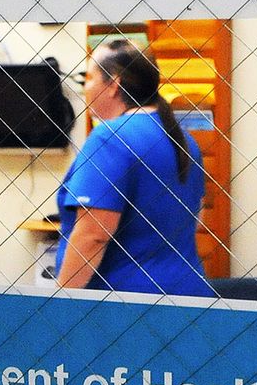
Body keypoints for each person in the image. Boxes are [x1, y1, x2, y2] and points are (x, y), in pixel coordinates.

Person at [55, 39, 214, 297]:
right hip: (186, 295)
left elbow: (93, 235)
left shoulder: (109, 138)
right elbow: (197, 219)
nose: (86, 88)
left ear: (113, 84)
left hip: (125, 305)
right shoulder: (184, 140)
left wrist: (60, 301)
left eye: (90, 78)